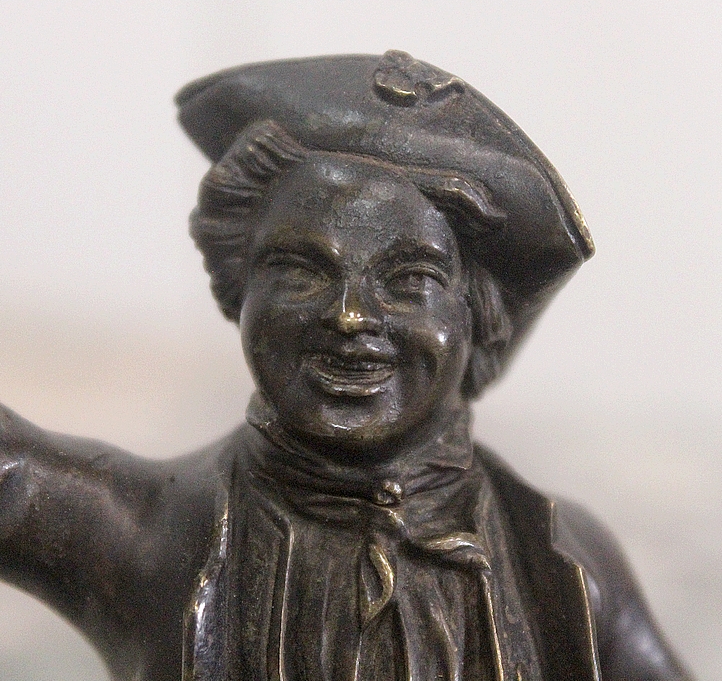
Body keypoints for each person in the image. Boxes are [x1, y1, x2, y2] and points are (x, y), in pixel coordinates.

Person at [0, 51, 692, 681]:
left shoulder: (564, 565)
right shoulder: (140, 534)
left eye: (409, 280)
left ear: (478, 316)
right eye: (302, 271)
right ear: (239, 291)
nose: (351, 316)